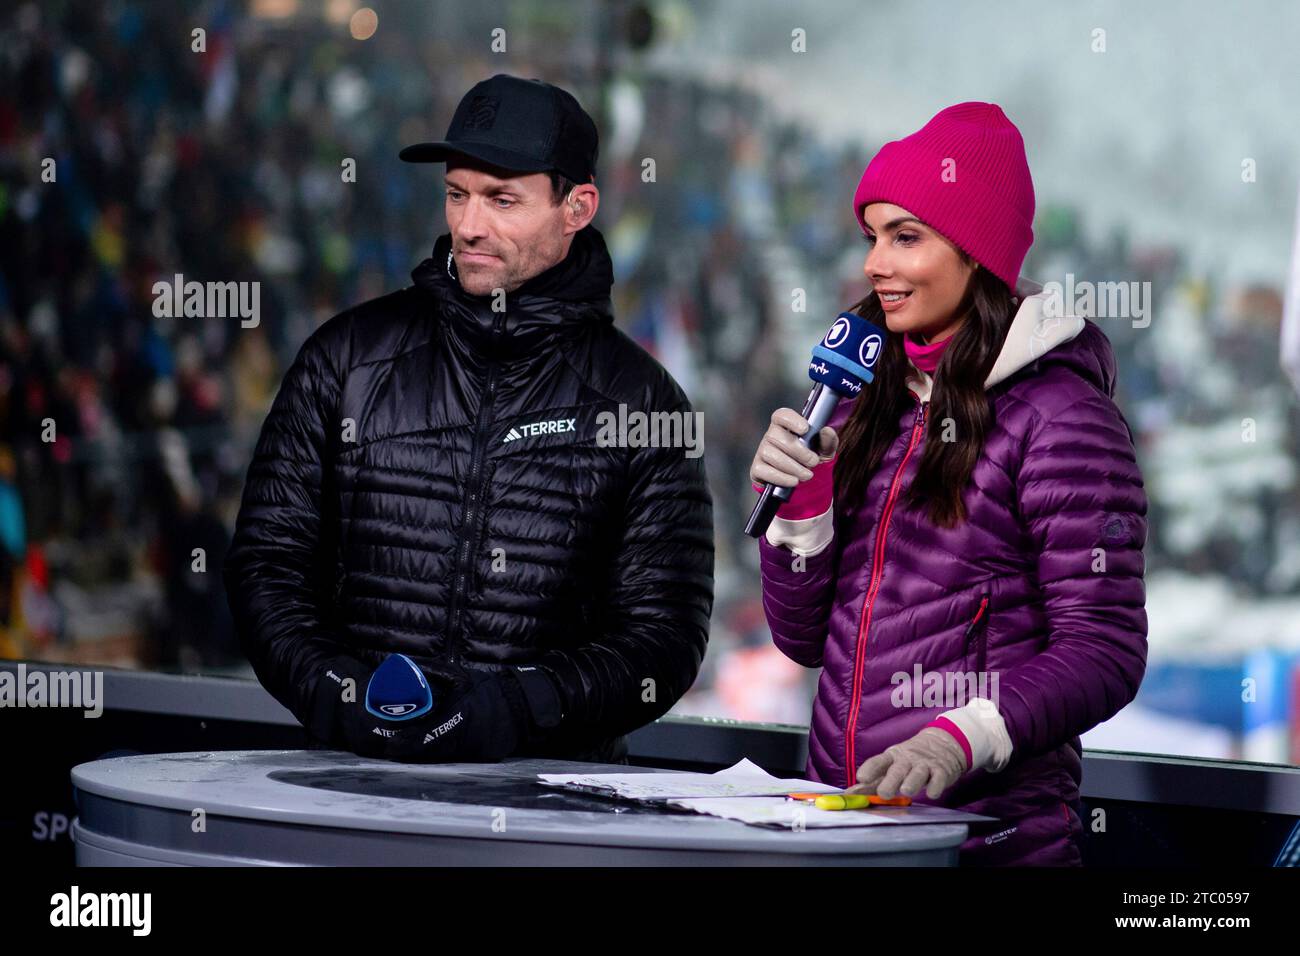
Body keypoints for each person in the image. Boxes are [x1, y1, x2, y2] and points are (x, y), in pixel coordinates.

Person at [224, 74, 714, 765]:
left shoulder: (646, 404)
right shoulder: (345, 360)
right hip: (351, 799)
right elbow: (266, 566)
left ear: (578, 207)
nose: (469, 225)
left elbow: (664, 639)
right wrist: (342, 694)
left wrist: (520, 707)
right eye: (457, 194)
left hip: (547, 821)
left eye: (502, 199)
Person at [750, 102, 1147, 866]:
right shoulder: (868, 399)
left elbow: (1105, 649)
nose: (874, 264)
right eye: (872, 237)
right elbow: (801, 642)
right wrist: (802, 508)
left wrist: (965, 734)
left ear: (977, 253)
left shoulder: (1062, 419)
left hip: (990, 849)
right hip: (852, 841)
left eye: (906, 237)